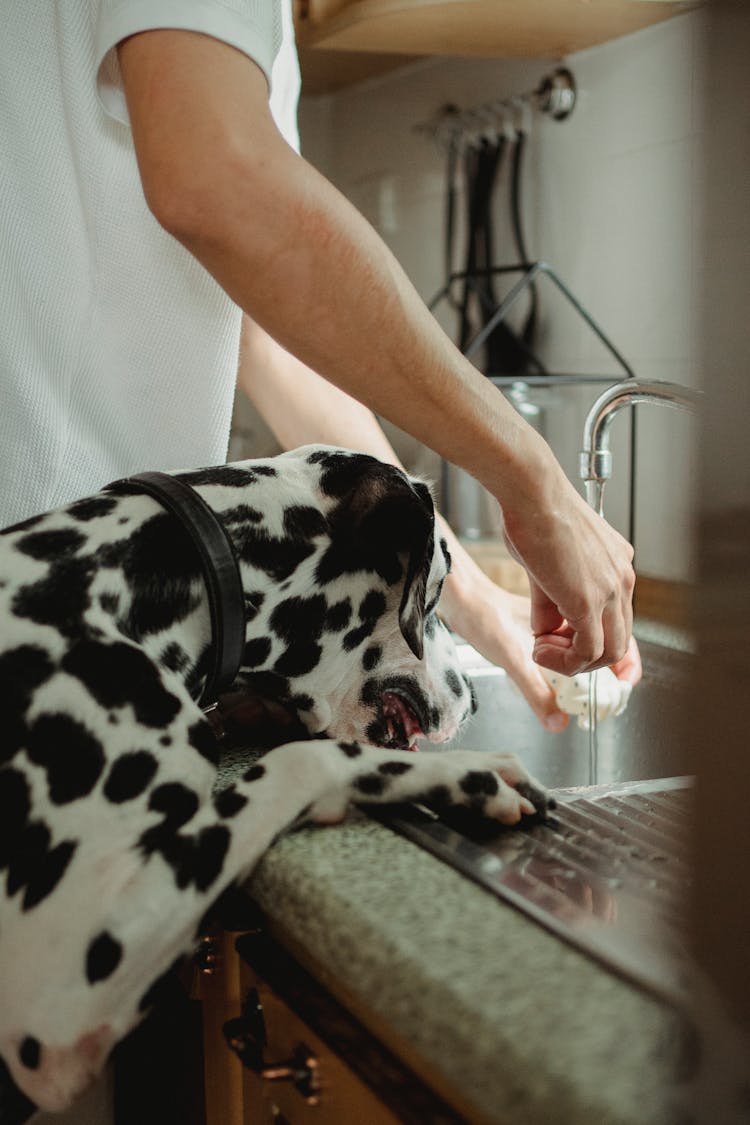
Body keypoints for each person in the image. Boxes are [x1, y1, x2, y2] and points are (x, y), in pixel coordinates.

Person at [0, 1, 640, 733]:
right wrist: (534, 478)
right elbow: (219, 182)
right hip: (36, 592)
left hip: (84, 614)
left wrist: (457, 590)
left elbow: (256, 338)